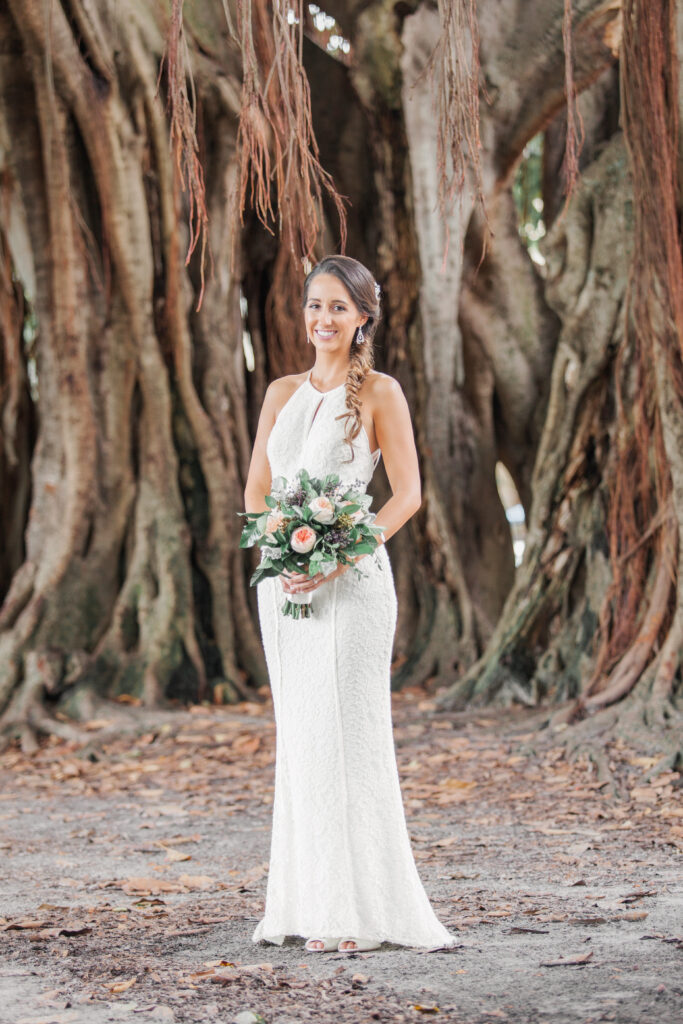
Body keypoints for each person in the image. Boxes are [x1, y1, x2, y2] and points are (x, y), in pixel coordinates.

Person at [243, 254, 457, 952]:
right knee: (304, 739)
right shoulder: (279, 392)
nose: (323, 319)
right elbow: (255, 494)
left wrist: (334, 553)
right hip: (285, 587)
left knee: (347, 736)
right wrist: (288, 548)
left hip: (353, 586)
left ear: (363, 316)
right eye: (313, 306)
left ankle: (356, 915)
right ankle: (306, 904)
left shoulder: (380, 393)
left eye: (338, 307)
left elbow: (407, 496)